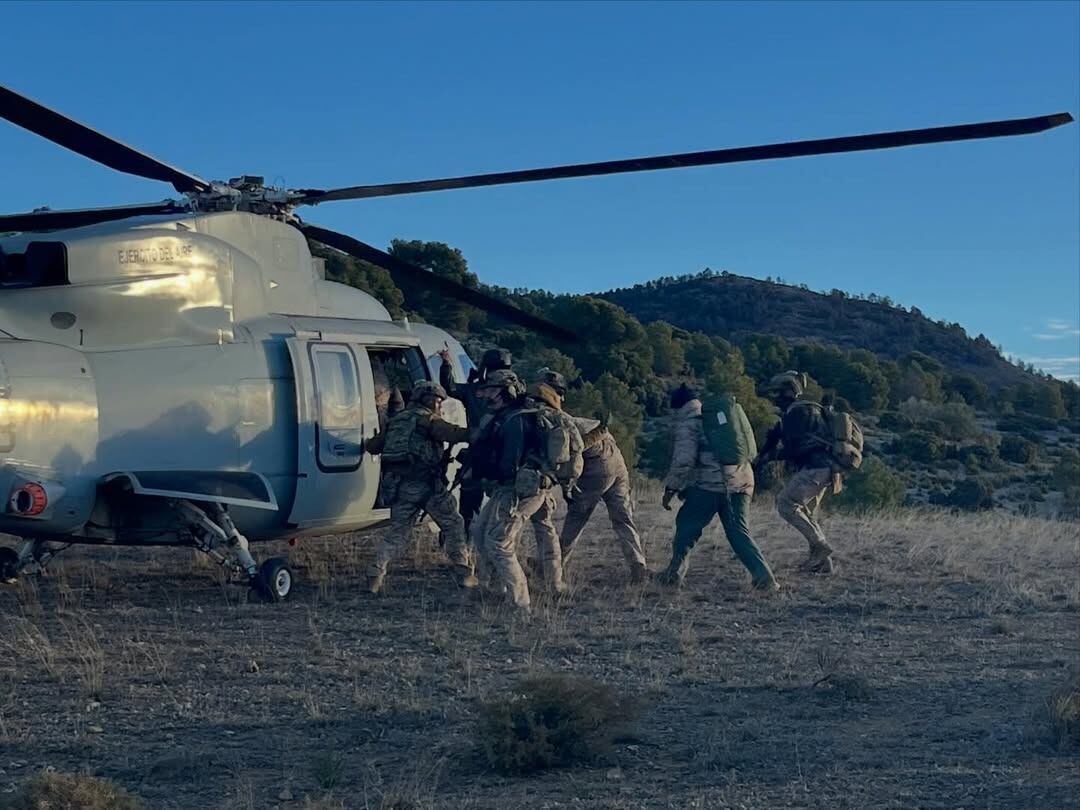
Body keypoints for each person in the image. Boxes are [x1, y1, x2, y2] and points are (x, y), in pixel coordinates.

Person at [531, 369, 648, 584]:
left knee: (576, 518)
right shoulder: (569, 418)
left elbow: (568, 450)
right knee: (623, 518)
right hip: (617, 462)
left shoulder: (558, 419)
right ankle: (638, 563)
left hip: (596, 467)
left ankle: (554, 564)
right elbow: (601, 431)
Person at [657, 384, 778, 591]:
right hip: (743, 480)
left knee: (687, 525)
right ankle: (764, 577)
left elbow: (683, 461)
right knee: (738, 531)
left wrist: (671, 489)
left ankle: (674, 573)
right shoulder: (718, 418)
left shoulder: (690, 422)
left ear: (678, 406)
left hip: (712, 483)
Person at [363, 380, 474, 594]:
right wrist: (481, 431)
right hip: (427, 486)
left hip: (398, 486)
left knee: (397, 534)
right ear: (430, 400)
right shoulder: (428, 420)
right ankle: (464, 572)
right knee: (453, 524)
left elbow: (372, 447)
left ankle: (375, 573)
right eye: (439, 401)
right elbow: (456, 434)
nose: (440, 406)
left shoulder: (395, 421)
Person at [468, 369, 565, 612]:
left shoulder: (515, 421)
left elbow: (509, 464)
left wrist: (485, 472)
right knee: (479, 531)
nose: (487, 394)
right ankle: (496, 588)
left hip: (519, 488)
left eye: (492, 389)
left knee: (499, 542)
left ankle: (520, 602)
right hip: (508, 486)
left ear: (505, 391)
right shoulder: (506, 416)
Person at [754, 371, 838, 574]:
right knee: (807, 513)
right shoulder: (808, 409)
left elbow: (794, 447)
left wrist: (768, 457)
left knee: (786, 504)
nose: (775, 399)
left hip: (814, 468)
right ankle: (823, 564)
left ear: (788, 392)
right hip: (827, 469)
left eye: (777, 394)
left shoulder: (796, 413)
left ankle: (820, 547)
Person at [437, 346, 513, 533]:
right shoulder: (516, 391)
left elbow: (450, 388)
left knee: (469, 503)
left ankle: (467, 545)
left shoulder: (476, 390)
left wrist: (447, 363)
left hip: (480, 453)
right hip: (507, 456)